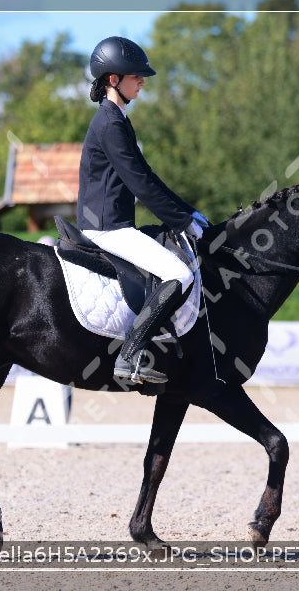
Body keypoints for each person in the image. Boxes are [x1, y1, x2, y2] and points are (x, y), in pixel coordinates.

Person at [77, 36, 209, 385]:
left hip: (114, 223)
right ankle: (130, 355)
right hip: (106, 227)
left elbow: (148, 177)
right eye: (136, 75)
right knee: (179, 275)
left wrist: (189, 213)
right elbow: (140, 184)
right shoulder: (110, 123)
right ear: (113, 80)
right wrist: (182, 220)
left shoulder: (117, 119)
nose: (143, 80)